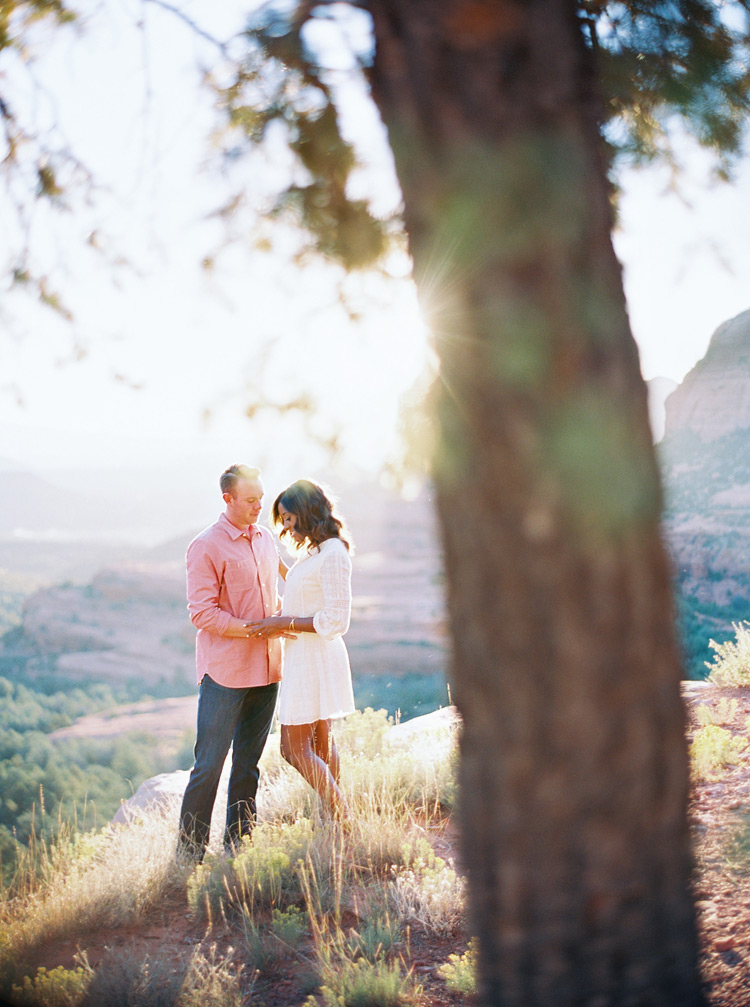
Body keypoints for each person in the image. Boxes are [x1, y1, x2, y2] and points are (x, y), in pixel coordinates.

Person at [177, 464, 290, 861]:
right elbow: (202, 614)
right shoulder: (205, 546)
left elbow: (286, 586)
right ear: (228, 499)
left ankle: (238, 848)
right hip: (225, 674)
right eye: (251, 499)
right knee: (208, 766)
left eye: (262, 497)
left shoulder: (266, 539)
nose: (261, 505)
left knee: (249, 766)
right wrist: (258, 629)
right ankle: (188, 856)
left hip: (267, 669)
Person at [246, 479, 354, 815]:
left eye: (290, 519)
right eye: (283, 520)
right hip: (304, 655)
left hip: (315, 657)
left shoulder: (334, 553)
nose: (286, 528)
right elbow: (304, 595)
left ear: (308, 512)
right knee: (321, 744)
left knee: (293, 750)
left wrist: (282, 624)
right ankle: (333, 823)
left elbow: (337, 620)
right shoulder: (314, 552)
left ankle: (344, 818)